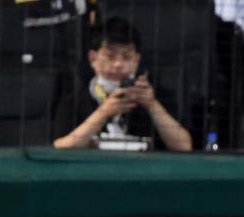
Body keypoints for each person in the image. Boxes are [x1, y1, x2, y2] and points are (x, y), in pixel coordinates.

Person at [52, 17, 192, 151]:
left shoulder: (158, 97)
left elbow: (184, 146)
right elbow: (62, 147)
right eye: (110, 56)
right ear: (93, 58)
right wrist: (104, 113)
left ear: (137, 60)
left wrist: (152, 105)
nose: (118, 64)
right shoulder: (74, 101)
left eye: (127, 57)